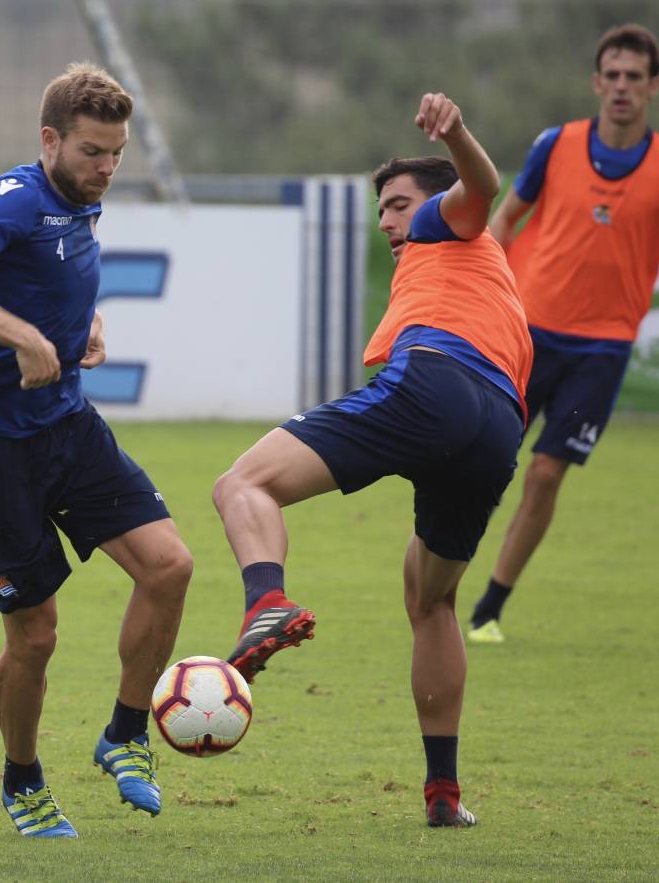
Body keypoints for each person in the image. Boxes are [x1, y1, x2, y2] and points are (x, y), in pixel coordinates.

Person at [213, 92, 533, 828]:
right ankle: (444, 794)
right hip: (496, 429)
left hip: (434, 385)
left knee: (242, 484)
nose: (387, 221)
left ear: (429, 202)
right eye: (383, 210)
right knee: (430, 596)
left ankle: (267, 601)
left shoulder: (440, 223)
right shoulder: (484, 271)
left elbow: (483, 188)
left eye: (395, 203)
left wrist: (457, 137)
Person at [0, 62, 193, 838]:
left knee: (170, 567)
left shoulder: (78, 202)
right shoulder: (15, 199)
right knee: (35, 636)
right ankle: (24, 781)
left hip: (69, 425)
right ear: (49, 141)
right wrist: (24, 336)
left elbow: (51, 276)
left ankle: (126, 735)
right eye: (92, 152)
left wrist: (81, 326)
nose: (106, 168)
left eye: (117, 153)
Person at [467, 23, 659, 644]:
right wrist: (480, 297)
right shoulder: (556, 145)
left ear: (654, 87)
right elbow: (505, 220)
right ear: (597, 82)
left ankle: (490, 606)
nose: (622, 87)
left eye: (635, 77)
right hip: (527, 333)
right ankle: (438, 580)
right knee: (481, 457)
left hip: (603, 347)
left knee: (546, 473)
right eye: (613, 76)